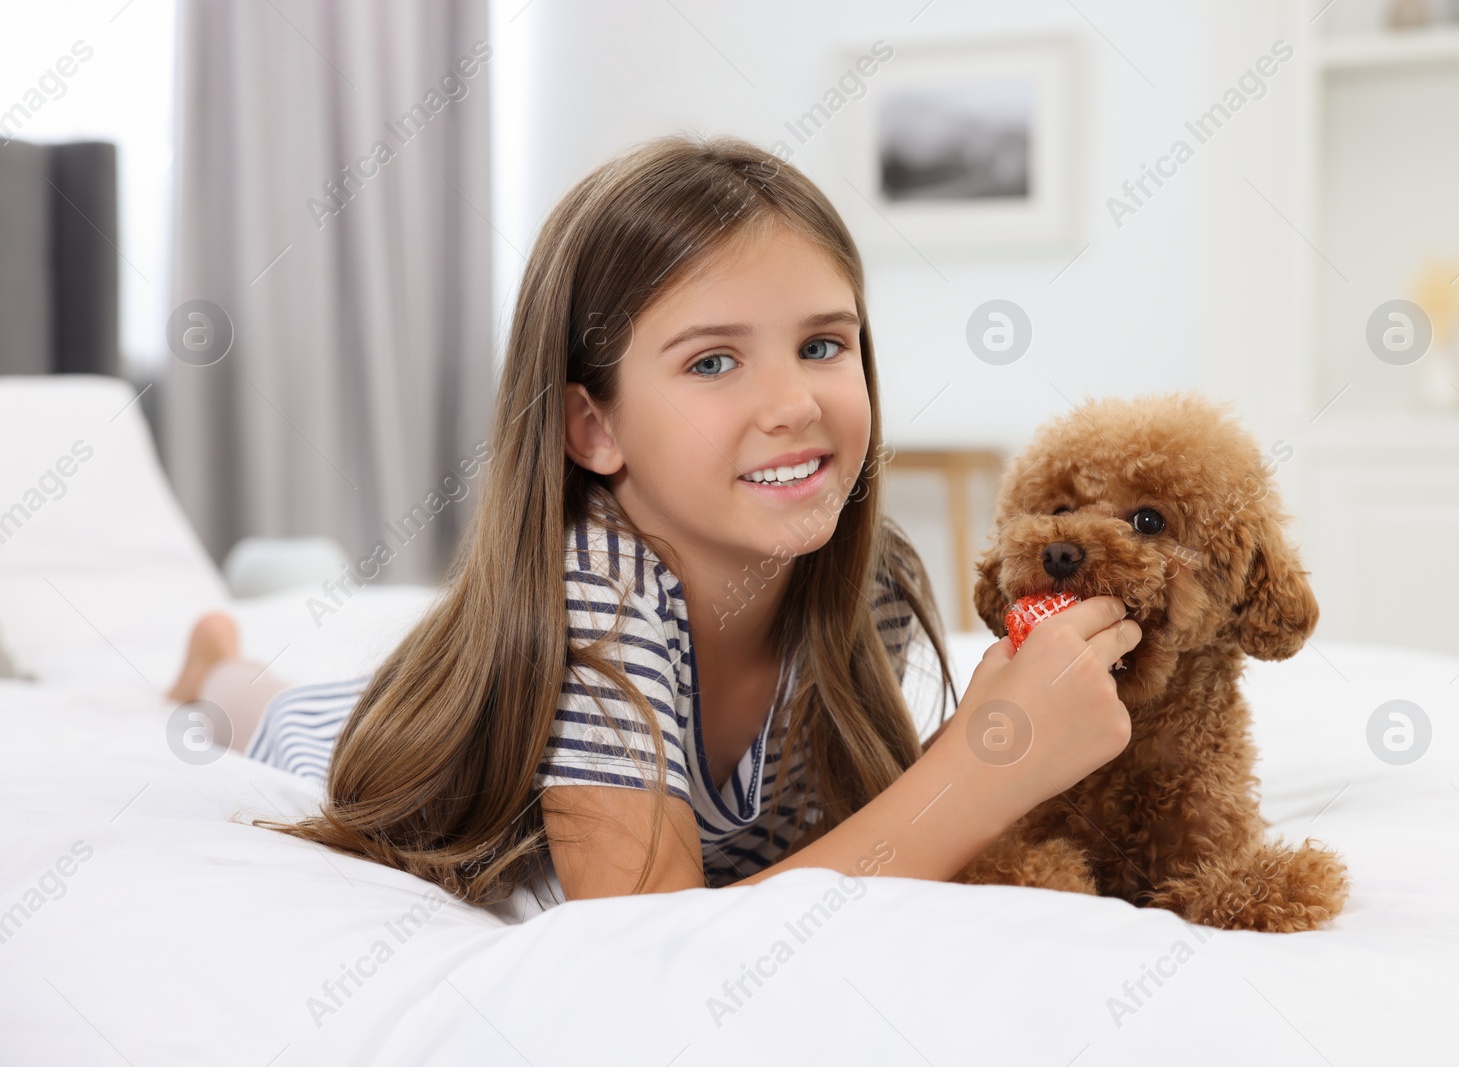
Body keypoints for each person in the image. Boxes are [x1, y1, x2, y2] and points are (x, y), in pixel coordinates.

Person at [166, 133, 1140, 910]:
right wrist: (986, 764)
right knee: (277, 708)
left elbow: (855, 844)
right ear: (593, 425)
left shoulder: (866, 572)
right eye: (713, 361)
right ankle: (213, 667)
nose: (794, 402)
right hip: (386, 730)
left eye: (821, 343)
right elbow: (646, 935)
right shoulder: (598, 593)